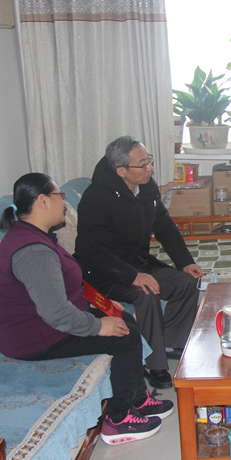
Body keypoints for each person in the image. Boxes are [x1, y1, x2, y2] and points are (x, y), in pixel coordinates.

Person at [0, 173, 173, 446]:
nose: (64, 203)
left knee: (123, 319)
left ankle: (137, 400)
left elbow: (70, 281)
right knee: (125, 336)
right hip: (33, 337)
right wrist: (98, 326)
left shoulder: (37, 235)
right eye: (59, 196)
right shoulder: (33, 252)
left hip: (46, 323)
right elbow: (56, 314)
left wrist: (104, 304)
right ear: (42, 202)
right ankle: (119, 420)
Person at [75, 136, 202, 389]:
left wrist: (185, 262)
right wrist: (133, 277)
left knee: (187, 281)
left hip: (138, 263)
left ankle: (170, 343)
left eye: (149, 161)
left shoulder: (145, 186)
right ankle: (153, 364)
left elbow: (164, 226)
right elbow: (92, 251)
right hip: (104, 274)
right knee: (147, 291)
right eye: (142, 165)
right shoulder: (96, 198)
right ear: (121, 171)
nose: (149, 169)